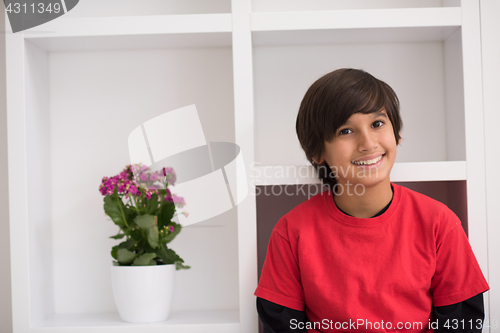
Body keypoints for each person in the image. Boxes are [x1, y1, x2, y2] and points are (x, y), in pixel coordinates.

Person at [254, 68, 489, 332]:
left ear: (396, 133)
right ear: (316, 151)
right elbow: (281, 322)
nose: (368, 143)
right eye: (345, 131)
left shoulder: (439, 222)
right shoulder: (291, 231)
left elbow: (463, 320)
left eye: (377, 124)